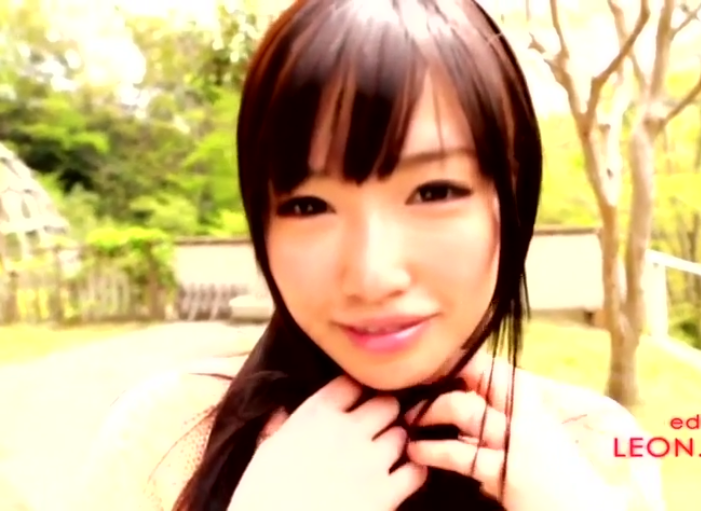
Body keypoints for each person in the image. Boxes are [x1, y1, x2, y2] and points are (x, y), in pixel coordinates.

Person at [71, 0, 665, 510]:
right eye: (308, 205)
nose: (372, 275)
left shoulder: (597, 449)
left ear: (511, 197)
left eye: (434, 191)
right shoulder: (165, 437)